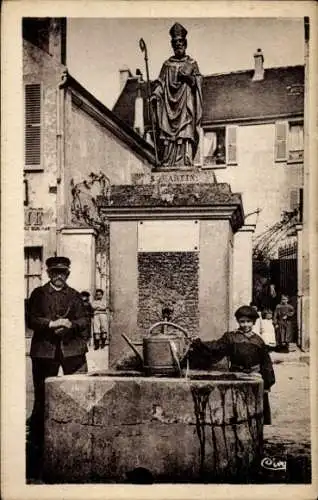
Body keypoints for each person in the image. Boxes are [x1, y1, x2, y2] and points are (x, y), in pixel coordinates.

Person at [27, 257, 90, 452]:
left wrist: (72, 324)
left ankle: (79, 437)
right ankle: (37, 445)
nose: (59, 277)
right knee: (42, 396)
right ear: (48, 274)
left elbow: (85, 320)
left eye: (62, 273)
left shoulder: (75, 296)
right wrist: (50, 324)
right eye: (55, 273)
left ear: (67, 274)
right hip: (45, 351)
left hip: (73, 350)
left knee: (79, 392)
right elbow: (30, 319)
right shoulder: (38, 294)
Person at [187, 305, 275, 424]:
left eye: (248, 322)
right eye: (242, 322)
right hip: (237, 376)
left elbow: (266, 363)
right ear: (238, 322)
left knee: (254, 410)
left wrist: (267, 383)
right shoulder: (231, 338)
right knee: (237, 409)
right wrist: (199, 344)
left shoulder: (258, 341)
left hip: (255, 377)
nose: (245, 325)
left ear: (253, 322)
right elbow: (216, 347)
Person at [150, 22, 202, 167]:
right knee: (168, 136)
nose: (178, 44)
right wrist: (155, 94)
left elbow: (198, 82)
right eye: (175, 42)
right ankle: (169, 161)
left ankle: (185, 160)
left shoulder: (191, 63)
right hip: (169, 107)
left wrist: (188, 78)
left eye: (180, 42)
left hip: (186, 105)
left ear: (185, 44)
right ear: (172, 45)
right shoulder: (167, 65)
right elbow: (161, 83)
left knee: (185, 134)